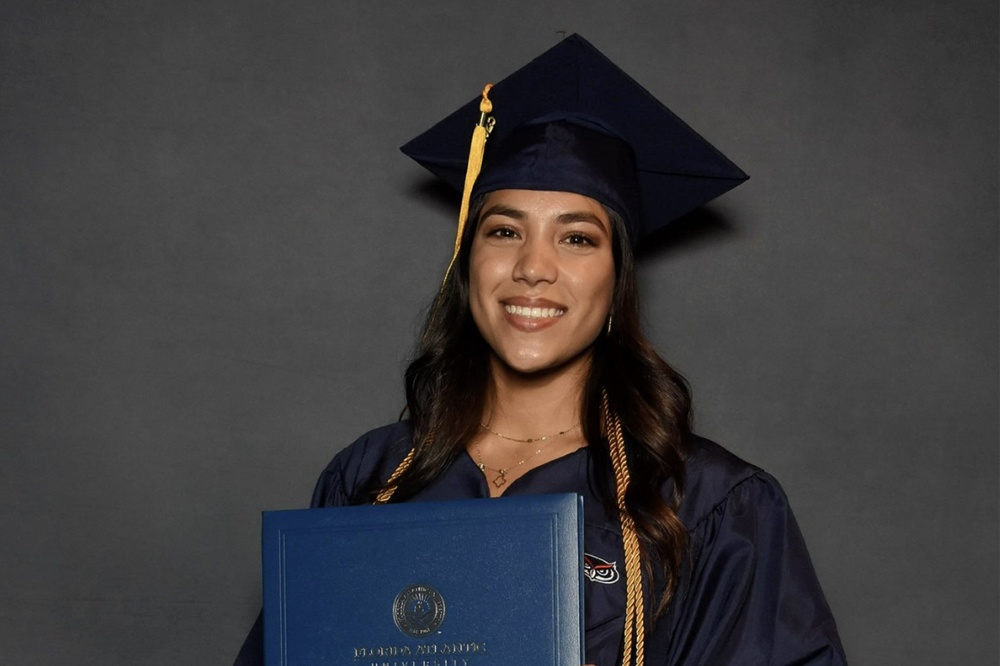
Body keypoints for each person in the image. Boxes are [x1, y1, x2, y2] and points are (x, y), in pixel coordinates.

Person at [235, 35, 847, 666]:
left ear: (617, 279)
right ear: (468, 262)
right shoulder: (369, 477)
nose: (533, 268)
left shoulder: (709, 503)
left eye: (577, 239)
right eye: (504, 231)